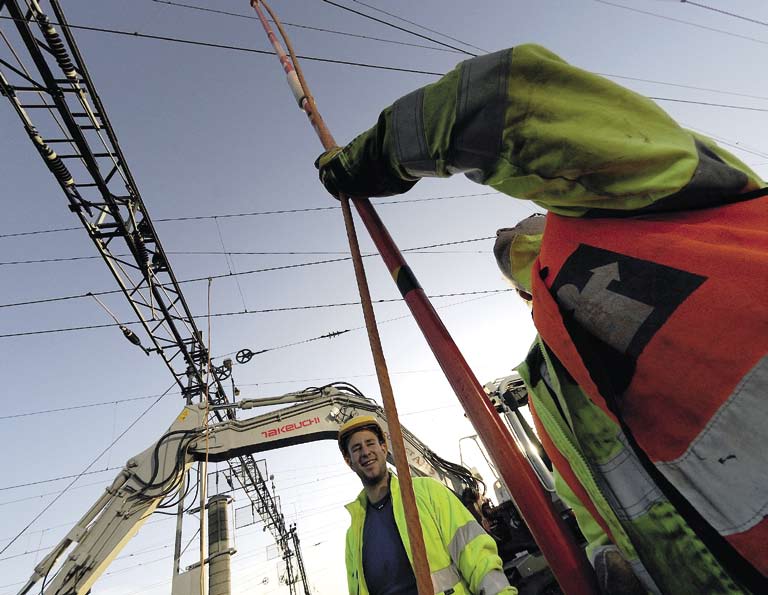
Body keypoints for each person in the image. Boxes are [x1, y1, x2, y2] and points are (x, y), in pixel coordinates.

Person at [317, 45, 768, 594]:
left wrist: (370, 159)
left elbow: (506, 101)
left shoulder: (638, 201)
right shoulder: (549, 381)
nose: (511, 234)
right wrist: (607, 562)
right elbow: (603, 513)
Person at [338, 415, 517, 595]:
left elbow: (476, 554)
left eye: (370, 443)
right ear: (349, 461)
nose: (366, 452)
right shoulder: (353, 537)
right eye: (357, 448)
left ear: (384, 448)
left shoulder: (427, 492)